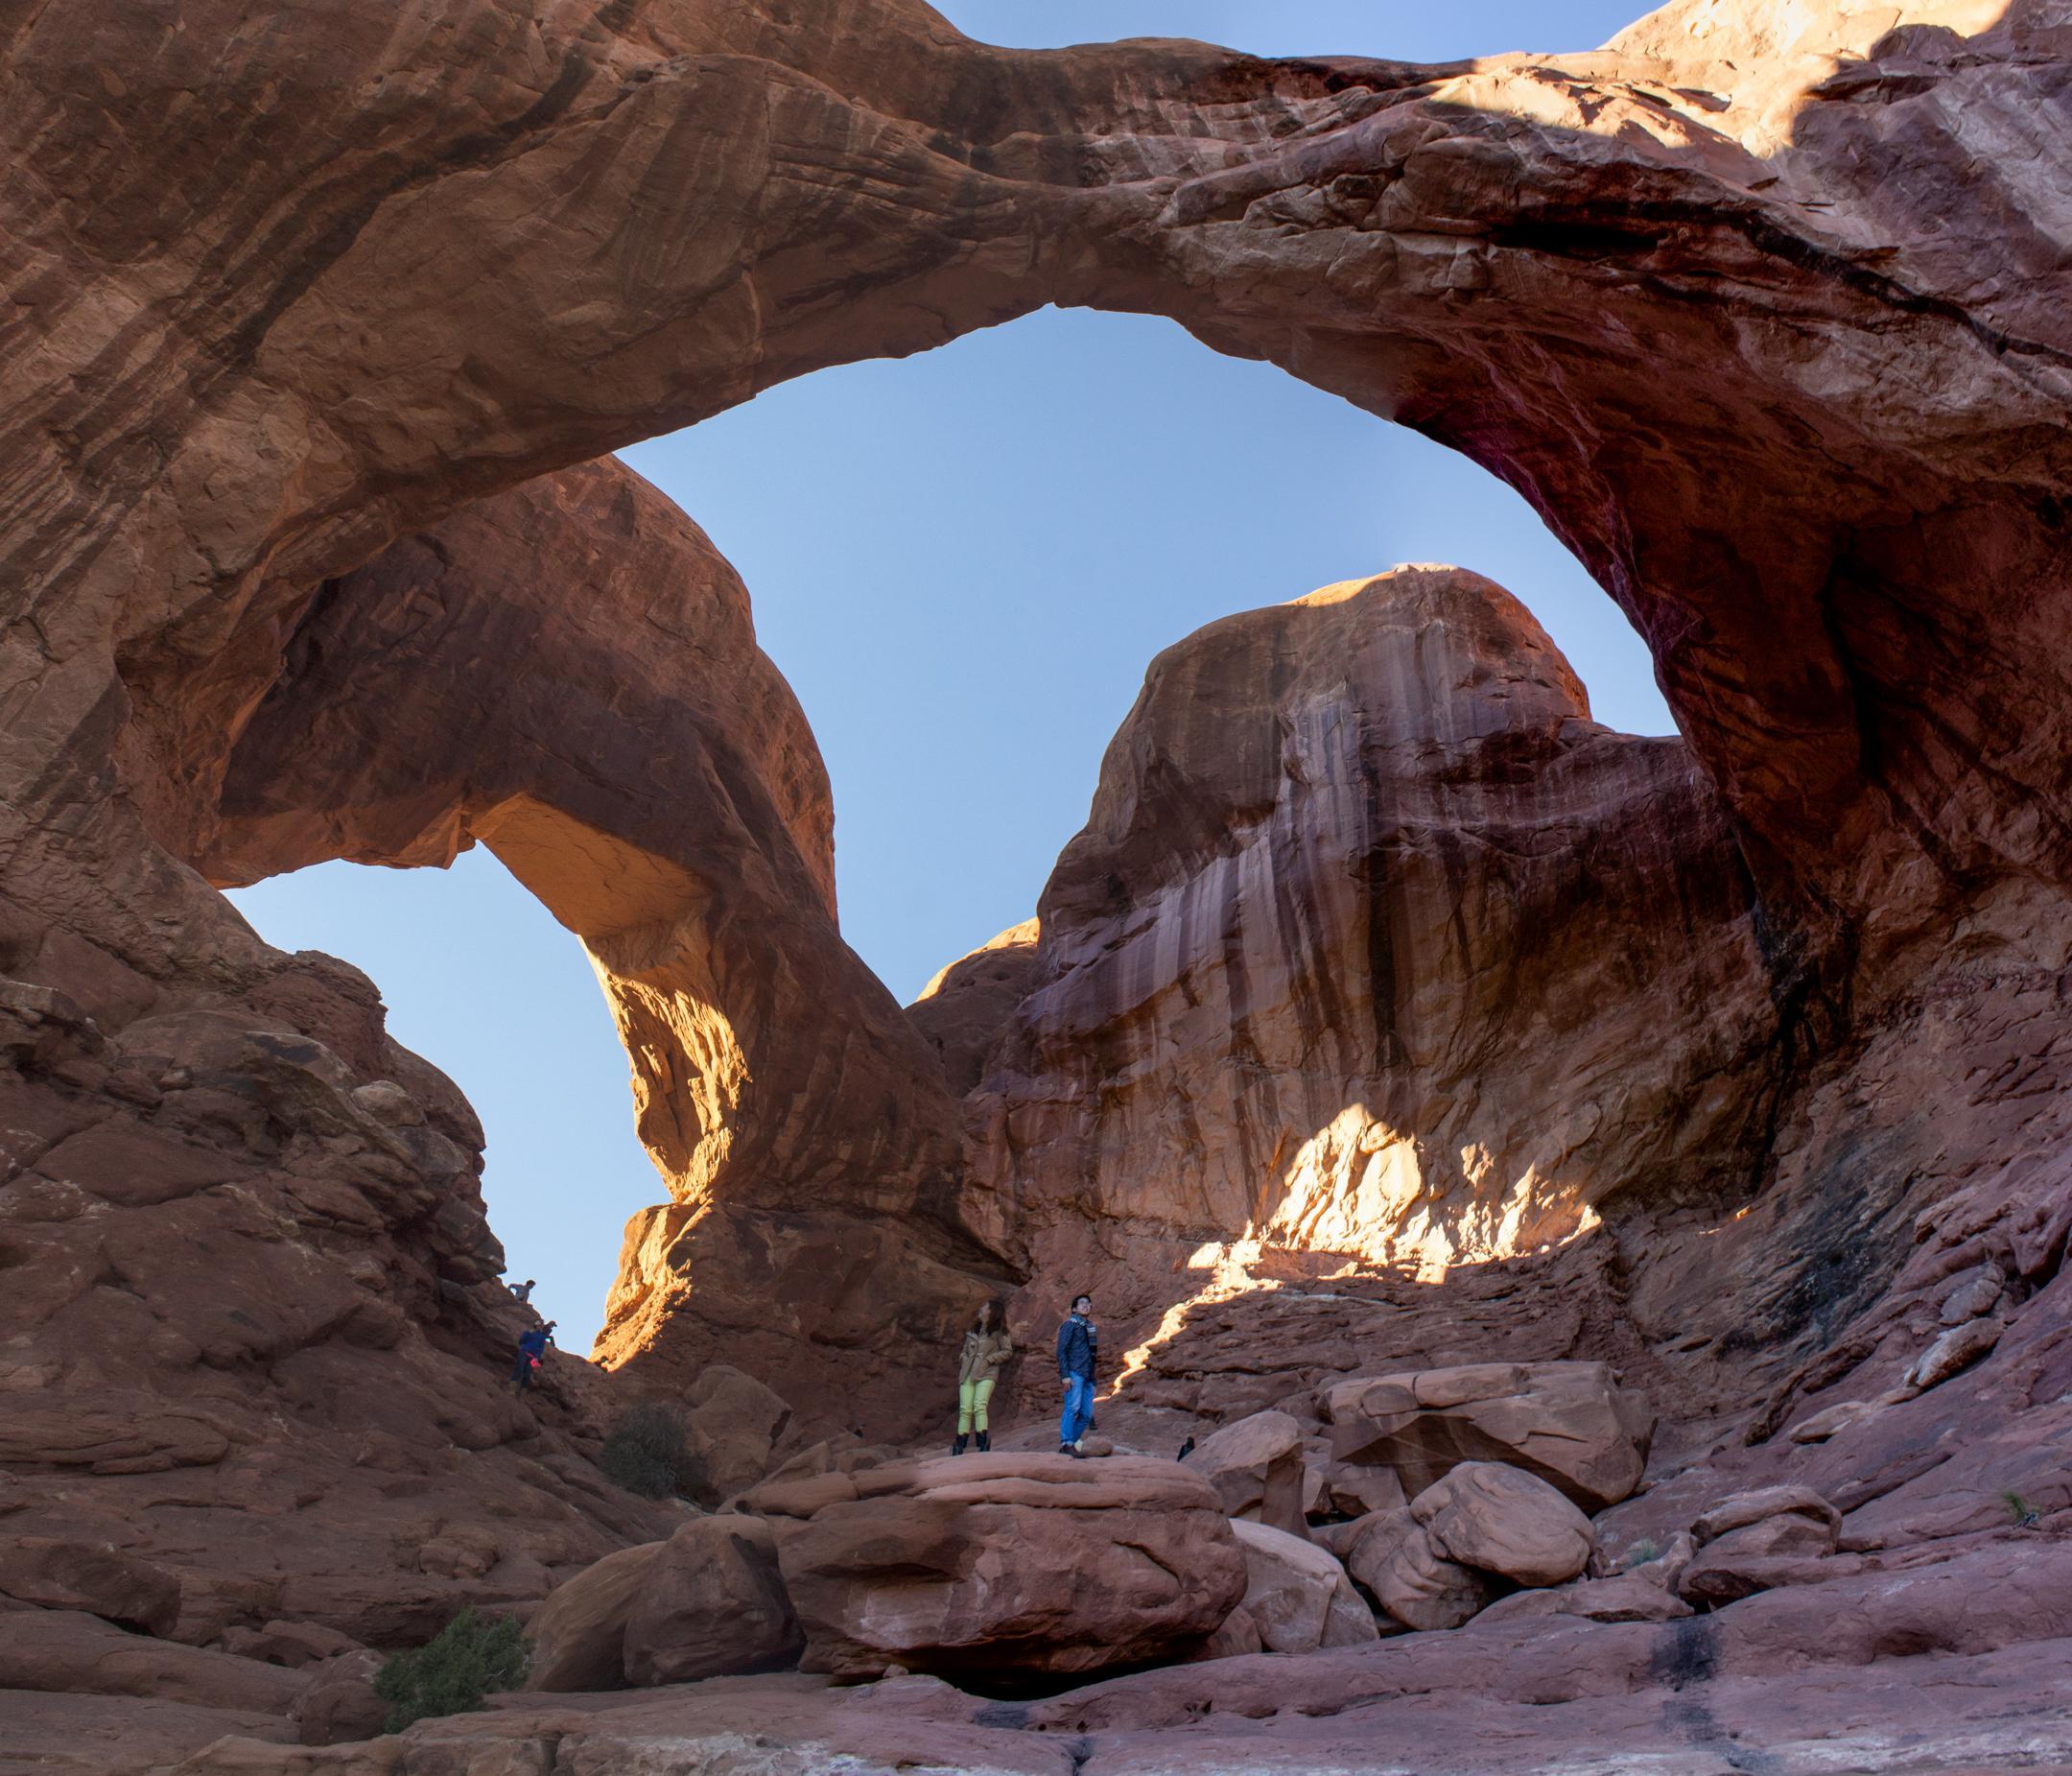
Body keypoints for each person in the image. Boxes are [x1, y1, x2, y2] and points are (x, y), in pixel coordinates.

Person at [953, 1298, 1013, 1455]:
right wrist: (964, 1358)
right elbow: (964, 1351)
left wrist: (988, 1359)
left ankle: (982, 1442)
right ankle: (960, 1444)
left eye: (984, 1307)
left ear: (992, 1311)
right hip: (968, 1373)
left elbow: (1007, 1351)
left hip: (987, 1373)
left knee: (979, 1405)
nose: (981, 1309)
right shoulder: (973, 1331)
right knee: (965, 1409)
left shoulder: (1000, 1332)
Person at [1055, 1292, 1097, 1457]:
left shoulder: (1090, 1327)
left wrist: (1093, 1381)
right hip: (1074, 1372)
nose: (1086, 1305)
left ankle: (1070, 1443)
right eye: (1081, 1303)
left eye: (1088, 1303)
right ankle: (1066, 1443)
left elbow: (1092, 1356)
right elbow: (1061, 1350)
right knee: (1072, 1408)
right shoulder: (1069, 1325)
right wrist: (1065, 1375)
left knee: (1086, 1414)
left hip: (1087, 1375)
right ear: (1074, 1308)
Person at [510, 1319, 555, 1393]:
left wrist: (537, 1358)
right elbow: (521, 1341)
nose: (541, 1327)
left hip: (532, 1356)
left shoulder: (541, 1336)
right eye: (540, 1325)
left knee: (527, 1373)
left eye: (542, 1326)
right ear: (537, 1325)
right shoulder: (529, 1332)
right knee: (519, 1368)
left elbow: (541, 1348)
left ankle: (522, 1394)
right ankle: (511, 1389)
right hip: (524, 1352)